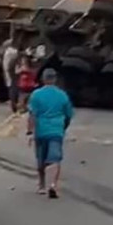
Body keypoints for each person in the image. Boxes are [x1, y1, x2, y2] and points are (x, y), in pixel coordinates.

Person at [26, 68, 74, 198]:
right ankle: (52, 184)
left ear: (43, 79)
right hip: (56, 130)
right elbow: (69, 115)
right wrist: (64, 127)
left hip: (41, 131)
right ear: (55, 79)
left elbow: (32, 115)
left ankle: (41, 185)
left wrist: (30, 131)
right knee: (55, 159)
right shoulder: (62, 95)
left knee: (41, 159)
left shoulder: (36, 94)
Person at [2, 40, 19, 105]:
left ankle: (12, 99)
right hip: (9, 69)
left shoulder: (9, 51)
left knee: (10, 84)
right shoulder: (9, 51)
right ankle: (12, 99)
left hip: (8, 69)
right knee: (11, 84)